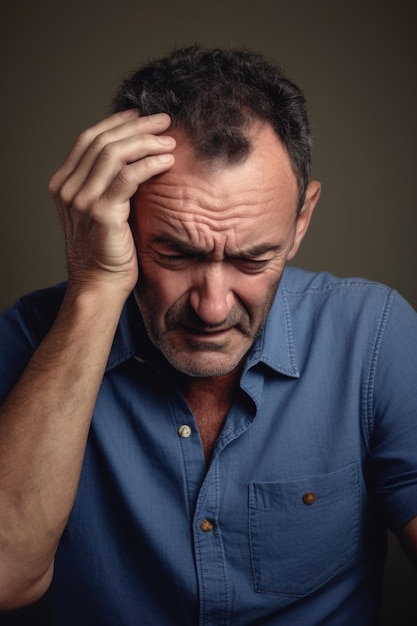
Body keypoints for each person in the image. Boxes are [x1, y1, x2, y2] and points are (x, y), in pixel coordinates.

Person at [0, 45, 416, 626]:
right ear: (117, 218)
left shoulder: (373, 337)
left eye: (253, 258)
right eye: (175, 251)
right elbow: (5, 578)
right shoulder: (27, 340)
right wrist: (95, 287)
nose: (213, 306)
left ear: (302, 221)